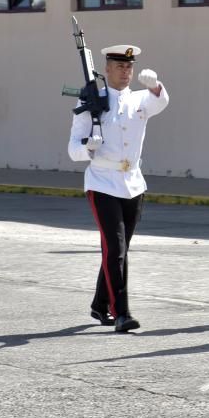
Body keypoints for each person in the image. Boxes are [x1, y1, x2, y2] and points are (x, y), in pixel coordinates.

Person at [68, 45, 169, 333]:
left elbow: (161, 102)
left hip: (133, 183)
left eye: (129, 67)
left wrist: (157, 86)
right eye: (120, 67)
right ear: (107, 69)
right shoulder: (91, 101)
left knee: (118, 250)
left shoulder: (140, 99)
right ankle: (120, 312)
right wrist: (88, 147)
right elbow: (72, 147)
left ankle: (100, 304)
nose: (126, 72)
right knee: (116, 248)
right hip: (102, 182)